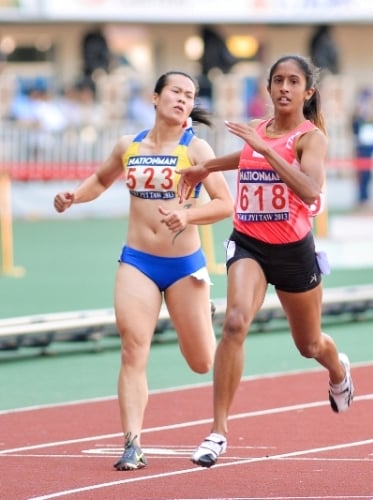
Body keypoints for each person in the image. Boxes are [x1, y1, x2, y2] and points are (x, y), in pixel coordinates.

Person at [176, 54, 355, 468]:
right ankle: (217, 432)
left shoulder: (312, 139)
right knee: (236, 322)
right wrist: (206, 167)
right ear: (269, 87)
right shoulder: (258, 130)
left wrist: (266, 150)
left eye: (294, 82)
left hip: (293, 251)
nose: (285, 88)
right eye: (278, 80)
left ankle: (337, 369)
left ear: (307, 92)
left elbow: (310, 190)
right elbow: (247, 159)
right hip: (249, 243)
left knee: (309, 344)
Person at [53, 70, 234, 471]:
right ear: (155, 98)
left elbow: (225, 204)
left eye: (189, 95)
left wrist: (188, 217)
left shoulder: (198, 149)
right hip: (138, 261)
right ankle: (132, 443)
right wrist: (73, 197)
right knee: (134, 349)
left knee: (202, 361)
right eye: (175, 92)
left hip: (184, 265)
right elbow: (101, 180)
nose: (183, 99)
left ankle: (203, 313)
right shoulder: (128, 145)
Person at [351, 87, 373, 208]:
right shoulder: (358, 113)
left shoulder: (372, 111)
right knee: (362, 173)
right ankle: (362, 198)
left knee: (368, 173)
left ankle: (367, 197)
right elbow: (355, 125)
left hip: (369, 144)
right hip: (361, 145)